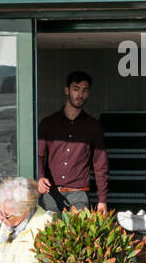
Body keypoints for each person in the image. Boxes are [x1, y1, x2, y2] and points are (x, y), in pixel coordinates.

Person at [37, 71, 109, 215]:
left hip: (79, 194)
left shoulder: (93, 126)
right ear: (67, 90)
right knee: (50, 235)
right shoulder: (48, 123)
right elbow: (39, 156)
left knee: (78, 236)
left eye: (85, 90)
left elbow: (100, 164)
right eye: (76, 89)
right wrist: (40, 177)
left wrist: (102, 200)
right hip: (51, 193)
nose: (80, 95)